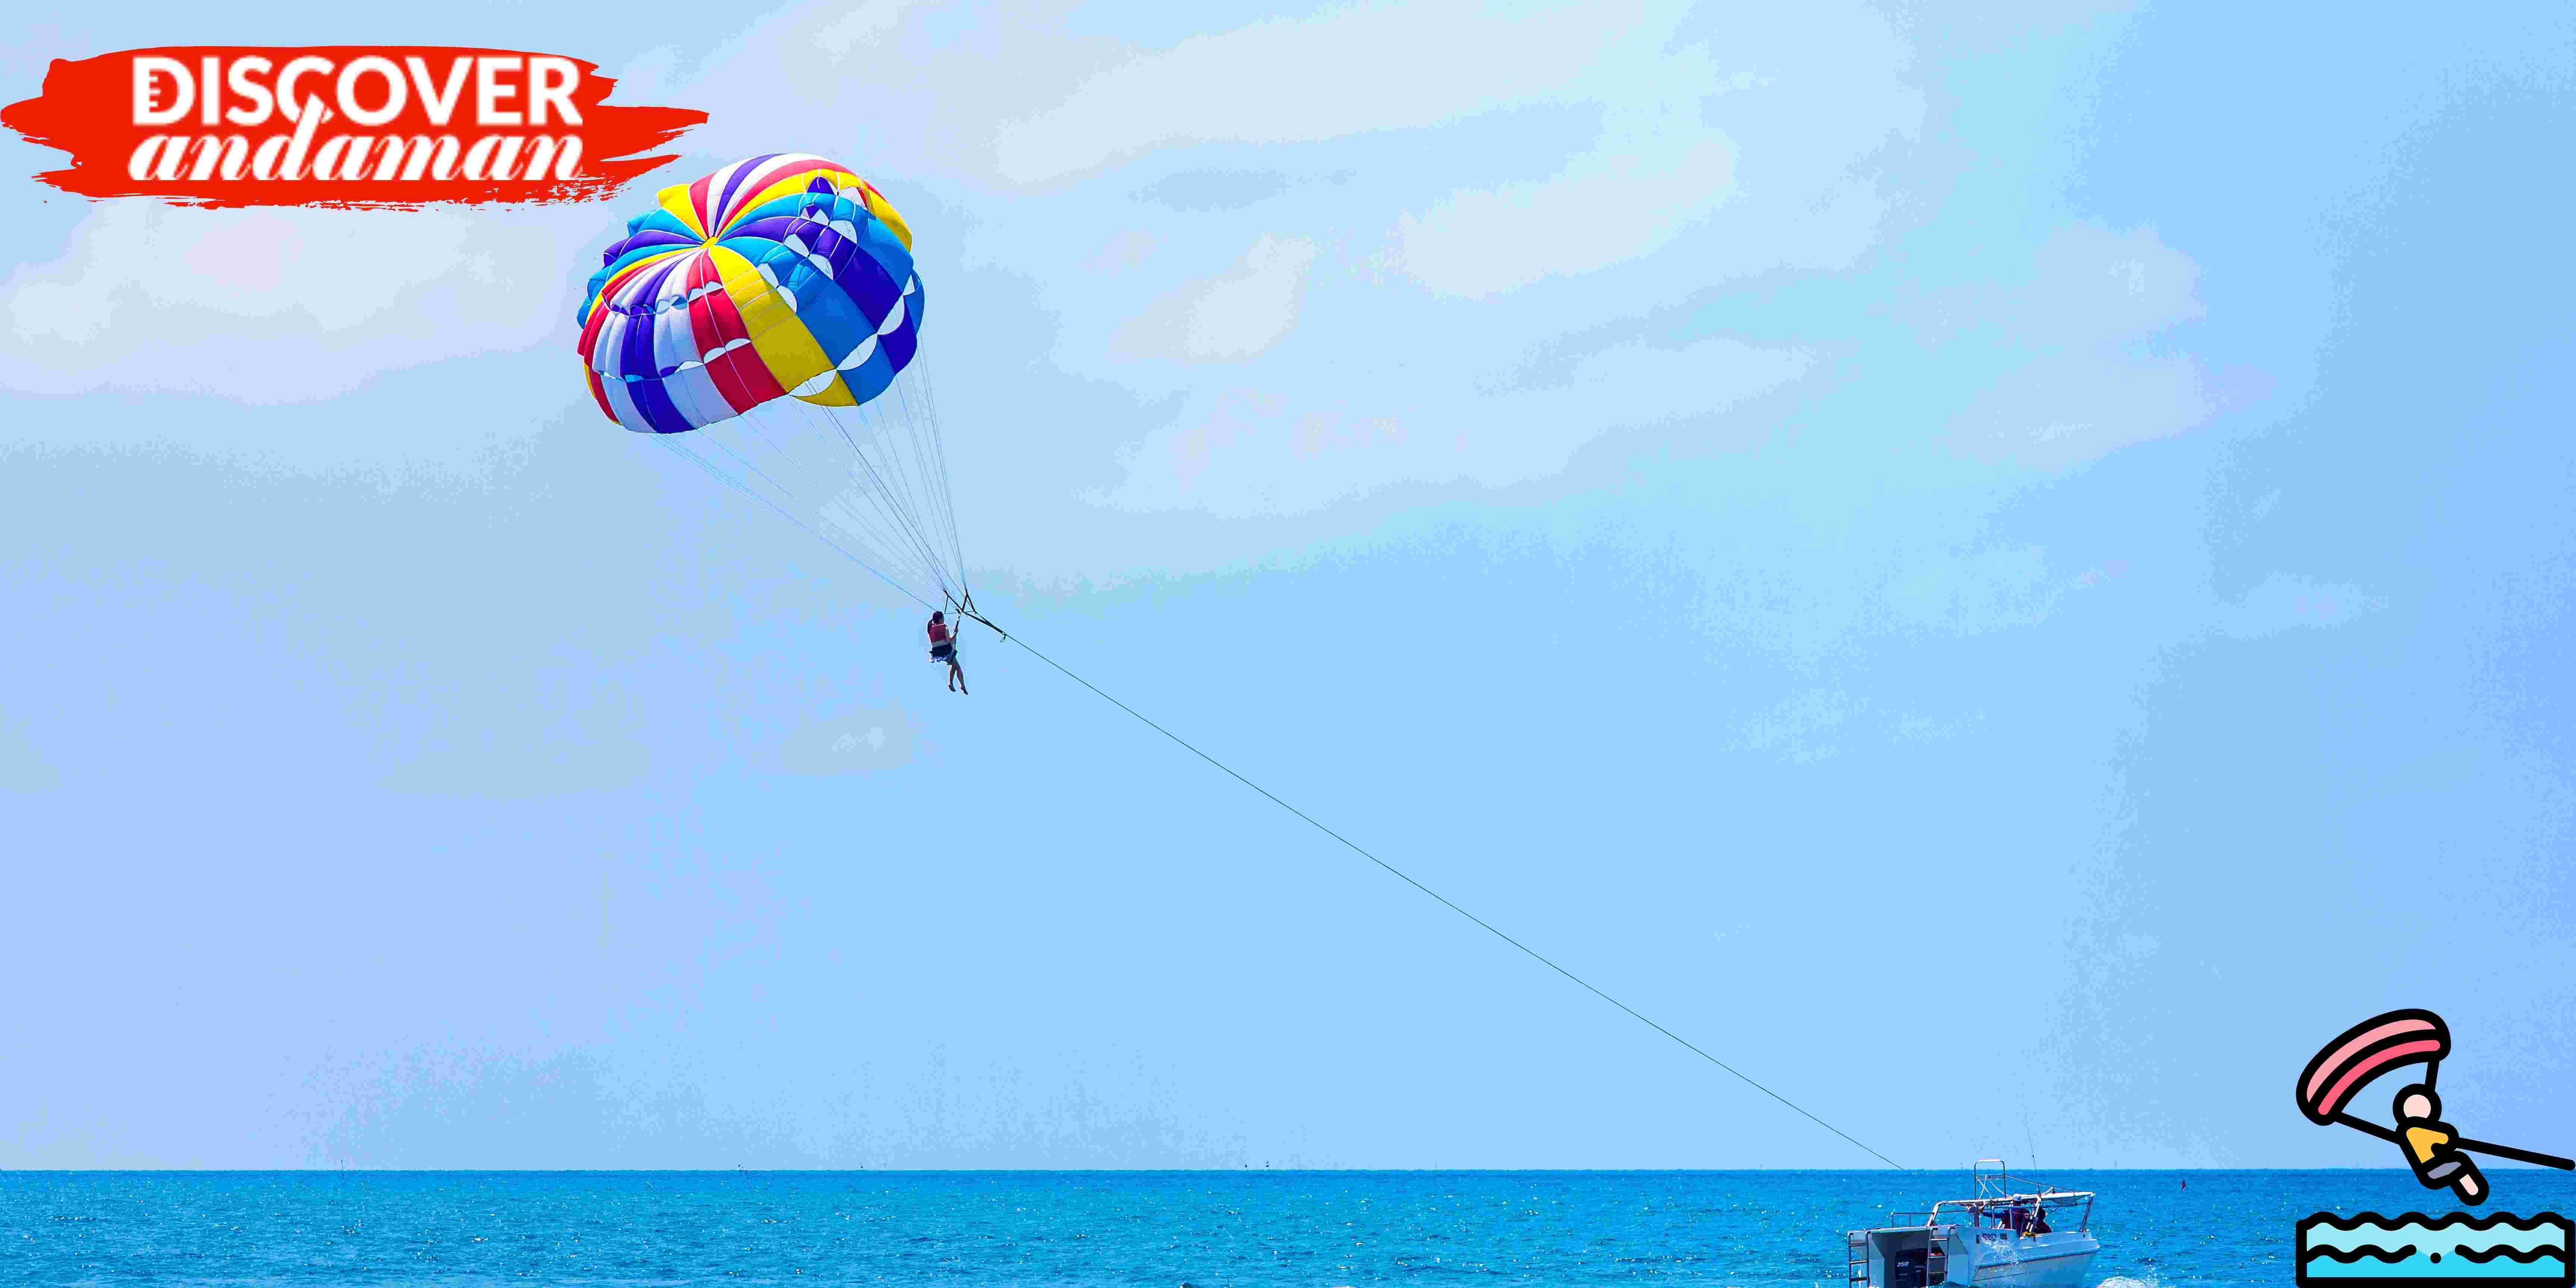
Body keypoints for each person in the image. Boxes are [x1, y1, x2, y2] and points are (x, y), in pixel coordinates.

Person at [2392, 1085, 2487, 1203]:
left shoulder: (2406, 1131)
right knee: (2461, 1159)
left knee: (2458, 1160)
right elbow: (2447, 1138)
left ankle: (2473, 1194)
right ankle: (2475, 1193)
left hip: (2428, 1172)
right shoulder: (2416, 1129)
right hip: (2431, 1172)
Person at [927, 610, 967, 694]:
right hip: (946, 652)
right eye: (943, 618)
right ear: (941, 619)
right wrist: (956, 634)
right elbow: (949, 640)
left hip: (937, 653)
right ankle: (963, 685)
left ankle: (951, 684)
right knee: (958, 668)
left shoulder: (930, 628)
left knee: (954, 665)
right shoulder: (945, 627)